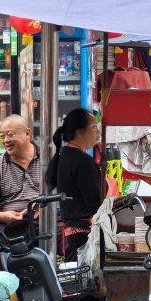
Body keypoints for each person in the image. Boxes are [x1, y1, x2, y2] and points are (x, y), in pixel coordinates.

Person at [46, 108, 101, 262]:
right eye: (94, 127)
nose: (98, 132)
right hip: (84, 235)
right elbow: (95, 202)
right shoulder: (82, 161)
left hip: (72, 234)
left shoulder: (65, 155)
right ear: (79, 131)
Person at [0, 114, 40, 224]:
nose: (6, 140)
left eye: (10, 135)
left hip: (50, 221)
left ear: (27, 134)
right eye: (2, 136)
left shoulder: (48, 160)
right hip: (13, 227)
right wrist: (1, 216)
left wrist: (48, 208)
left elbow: (66, 193)